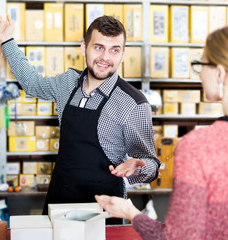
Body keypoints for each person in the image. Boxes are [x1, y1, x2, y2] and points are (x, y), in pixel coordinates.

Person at [0, 12, 160, 224]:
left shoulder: (133, 102)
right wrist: (7, 40)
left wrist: (139, 164)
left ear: (123, 54)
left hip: (105, 209)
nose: (106, 57)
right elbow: (32, 83)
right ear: (83, 47)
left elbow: (151, 163)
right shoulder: (67, 83)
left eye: (114, 50)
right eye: (99, 47)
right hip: (61, 199)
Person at [95, 26, 228, 238]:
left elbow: (176, 237)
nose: (200, 73)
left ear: (219, 73)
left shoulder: (199, 146)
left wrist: (130, 212)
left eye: (200, 65)